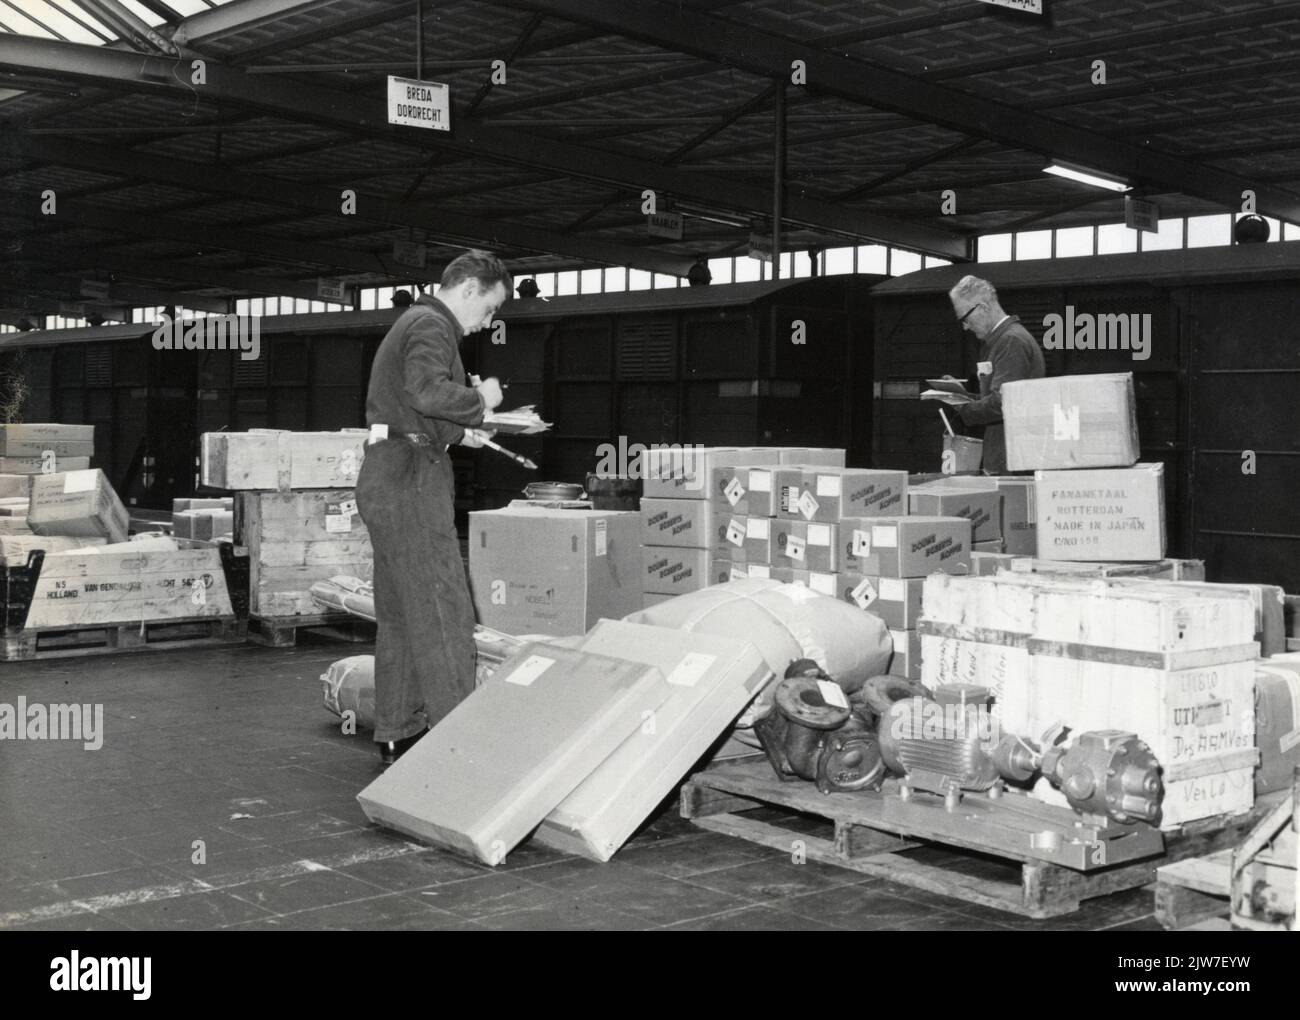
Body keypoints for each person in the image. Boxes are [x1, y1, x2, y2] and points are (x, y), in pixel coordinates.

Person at [356, 250, 510, 765]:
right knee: (446, 608)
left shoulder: (413, 322)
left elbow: (415, 404)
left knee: (402, 612)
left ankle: (397, 733)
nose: (486, 324)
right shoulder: (431, 324)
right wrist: (483, 401)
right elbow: (426, 391)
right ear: (469, 289)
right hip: (411, 476)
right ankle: (459, 740)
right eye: (489, 309)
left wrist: (465, 434)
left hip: (387, 471)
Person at [947, 275, 1045, 474]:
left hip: (1013, 463)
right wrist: (961, 396)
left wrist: (964, 408)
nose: (965, 326)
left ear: (982, 307)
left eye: (965, 318)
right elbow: (999, 397)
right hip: (1007, 458)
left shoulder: (1011, 342)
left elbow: (1003, 403)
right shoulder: (1001, 341)